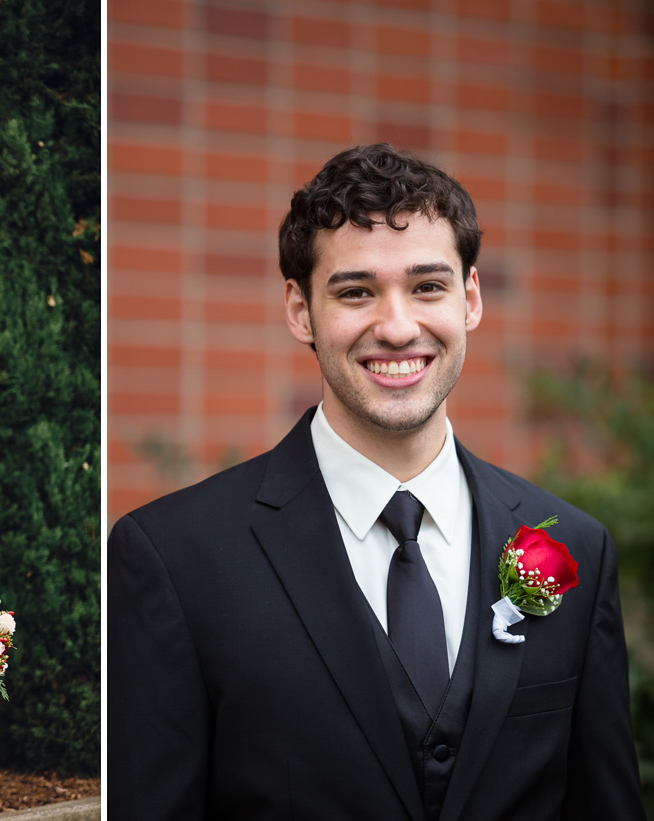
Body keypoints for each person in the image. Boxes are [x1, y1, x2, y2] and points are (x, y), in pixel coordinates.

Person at [108, 144, 643, 820]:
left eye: (428, 286)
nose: (396, 326)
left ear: (470, 298)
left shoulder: (580, 553)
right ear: (301, 310)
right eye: (356, 291)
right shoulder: (173, 558)